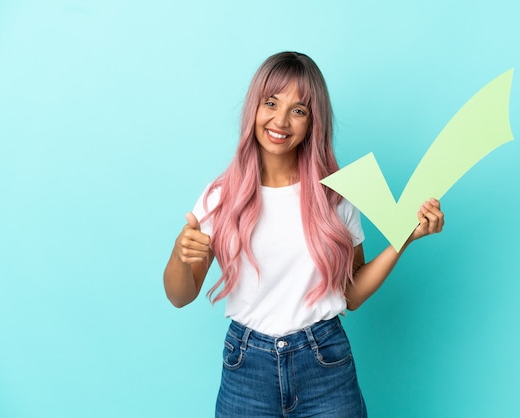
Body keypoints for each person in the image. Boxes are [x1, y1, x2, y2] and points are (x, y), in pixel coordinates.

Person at [163, 51, 444, 417]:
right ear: (254, 108)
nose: (281, 120)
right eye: (271, 103)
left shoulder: (336, 194)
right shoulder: (221, 196)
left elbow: (351, 294)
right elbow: (180, 296)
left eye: (299, 110)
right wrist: (179, 254)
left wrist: (402, 240)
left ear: (314, 122)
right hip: (246, 367)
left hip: (324, 363)